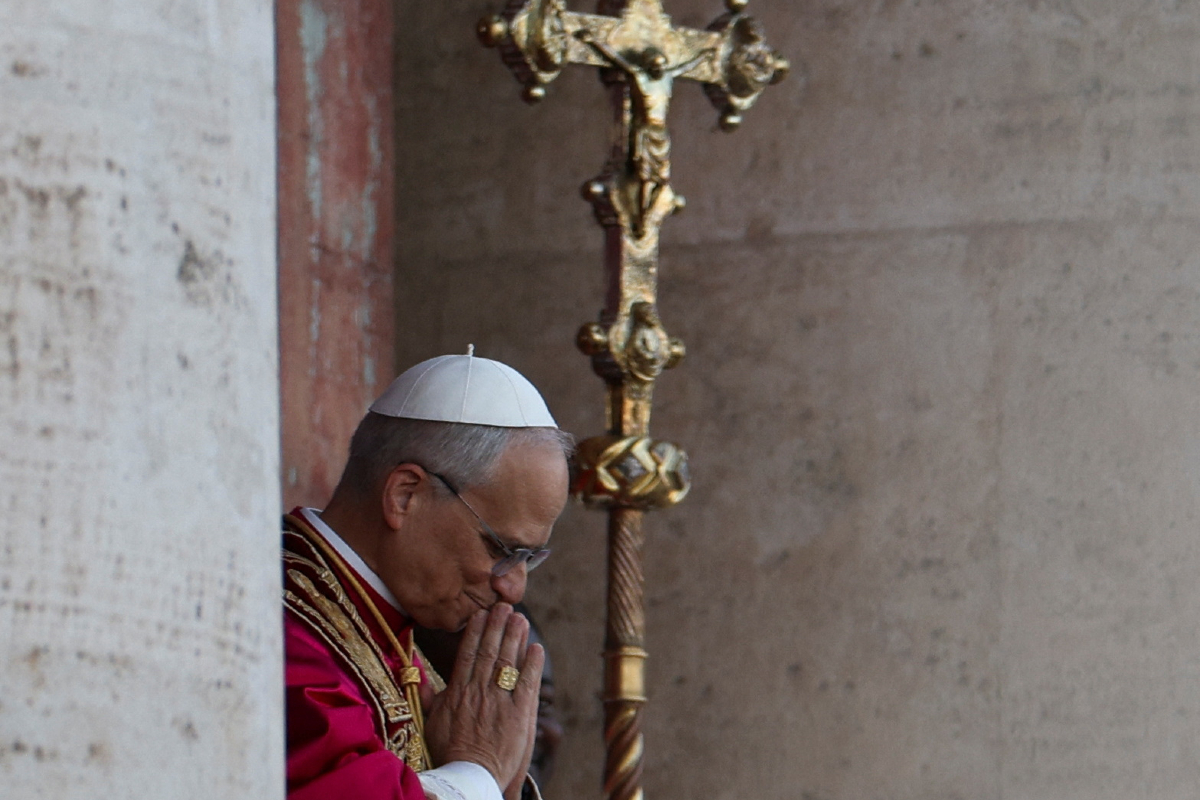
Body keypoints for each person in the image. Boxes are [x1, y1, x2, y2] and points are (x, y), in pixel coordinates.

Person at [284, 352, 573, 800]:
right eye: (500, 548)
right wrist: (479, 771)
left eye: (529, 558)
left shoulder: (401, 648)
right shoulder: (280, 629)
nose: (513, 588)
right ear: (405, 495)